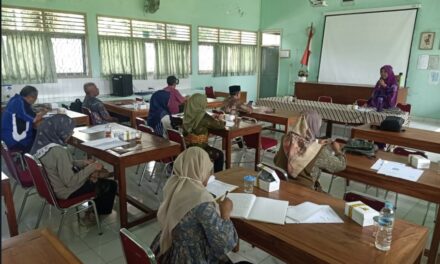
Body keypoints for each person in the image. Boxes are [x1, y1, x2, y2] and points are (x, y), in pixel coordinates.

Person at [151, 147, 239, 263]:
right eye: (208, 170)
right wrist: (225, 213)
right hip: (191, 258)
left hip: (168, 251)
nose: (209, 174)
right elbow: (225, 244)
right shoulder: (201, 202)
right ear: (200, 170)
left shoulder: (172, 184)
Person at [30, 114, 117, 216]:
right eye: (69, 130)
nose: (71, 133)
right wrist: (92, 167)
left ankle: (93, 205)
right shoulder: (58, 151)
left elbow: (63, 164)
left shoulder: (43, 145)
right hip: (66, 191)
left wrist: (84, 163)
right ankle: (98, 214)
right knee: (110, 185)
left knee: (93, 174)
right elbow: (70, 182)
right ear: (59, 131)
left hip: (52, 188)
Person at [274, 110, 346, 191]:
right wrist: (338, 150)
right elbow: (340, 166)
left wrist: (316, 142)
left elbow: (276, 160)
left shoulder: (286, 138)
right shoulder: (318, 151)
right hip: (304, 192)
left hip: (281, 185)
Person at [183, 94, 225, 172]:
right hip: (200, 149)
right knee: (220, 155)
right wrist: (221, 119)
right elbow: (220, 126)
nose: (205, 103)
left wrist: (211, 118)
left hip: (188, 148)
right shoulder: (203, 117)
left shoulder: (187, 114)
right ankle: (218, 179)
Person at [1, 86, 45, 153]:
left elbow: (27, 114)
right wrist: (45, 111)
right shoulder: (20, 103)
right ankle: (33, 160)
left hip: (6, 137)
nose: (35, 100)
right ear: (30, 97)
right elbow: (34, 119)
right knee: (41, 142)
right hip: (14, 140)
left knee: (35, 134)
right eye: (35, 98)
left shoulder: (15, 99)